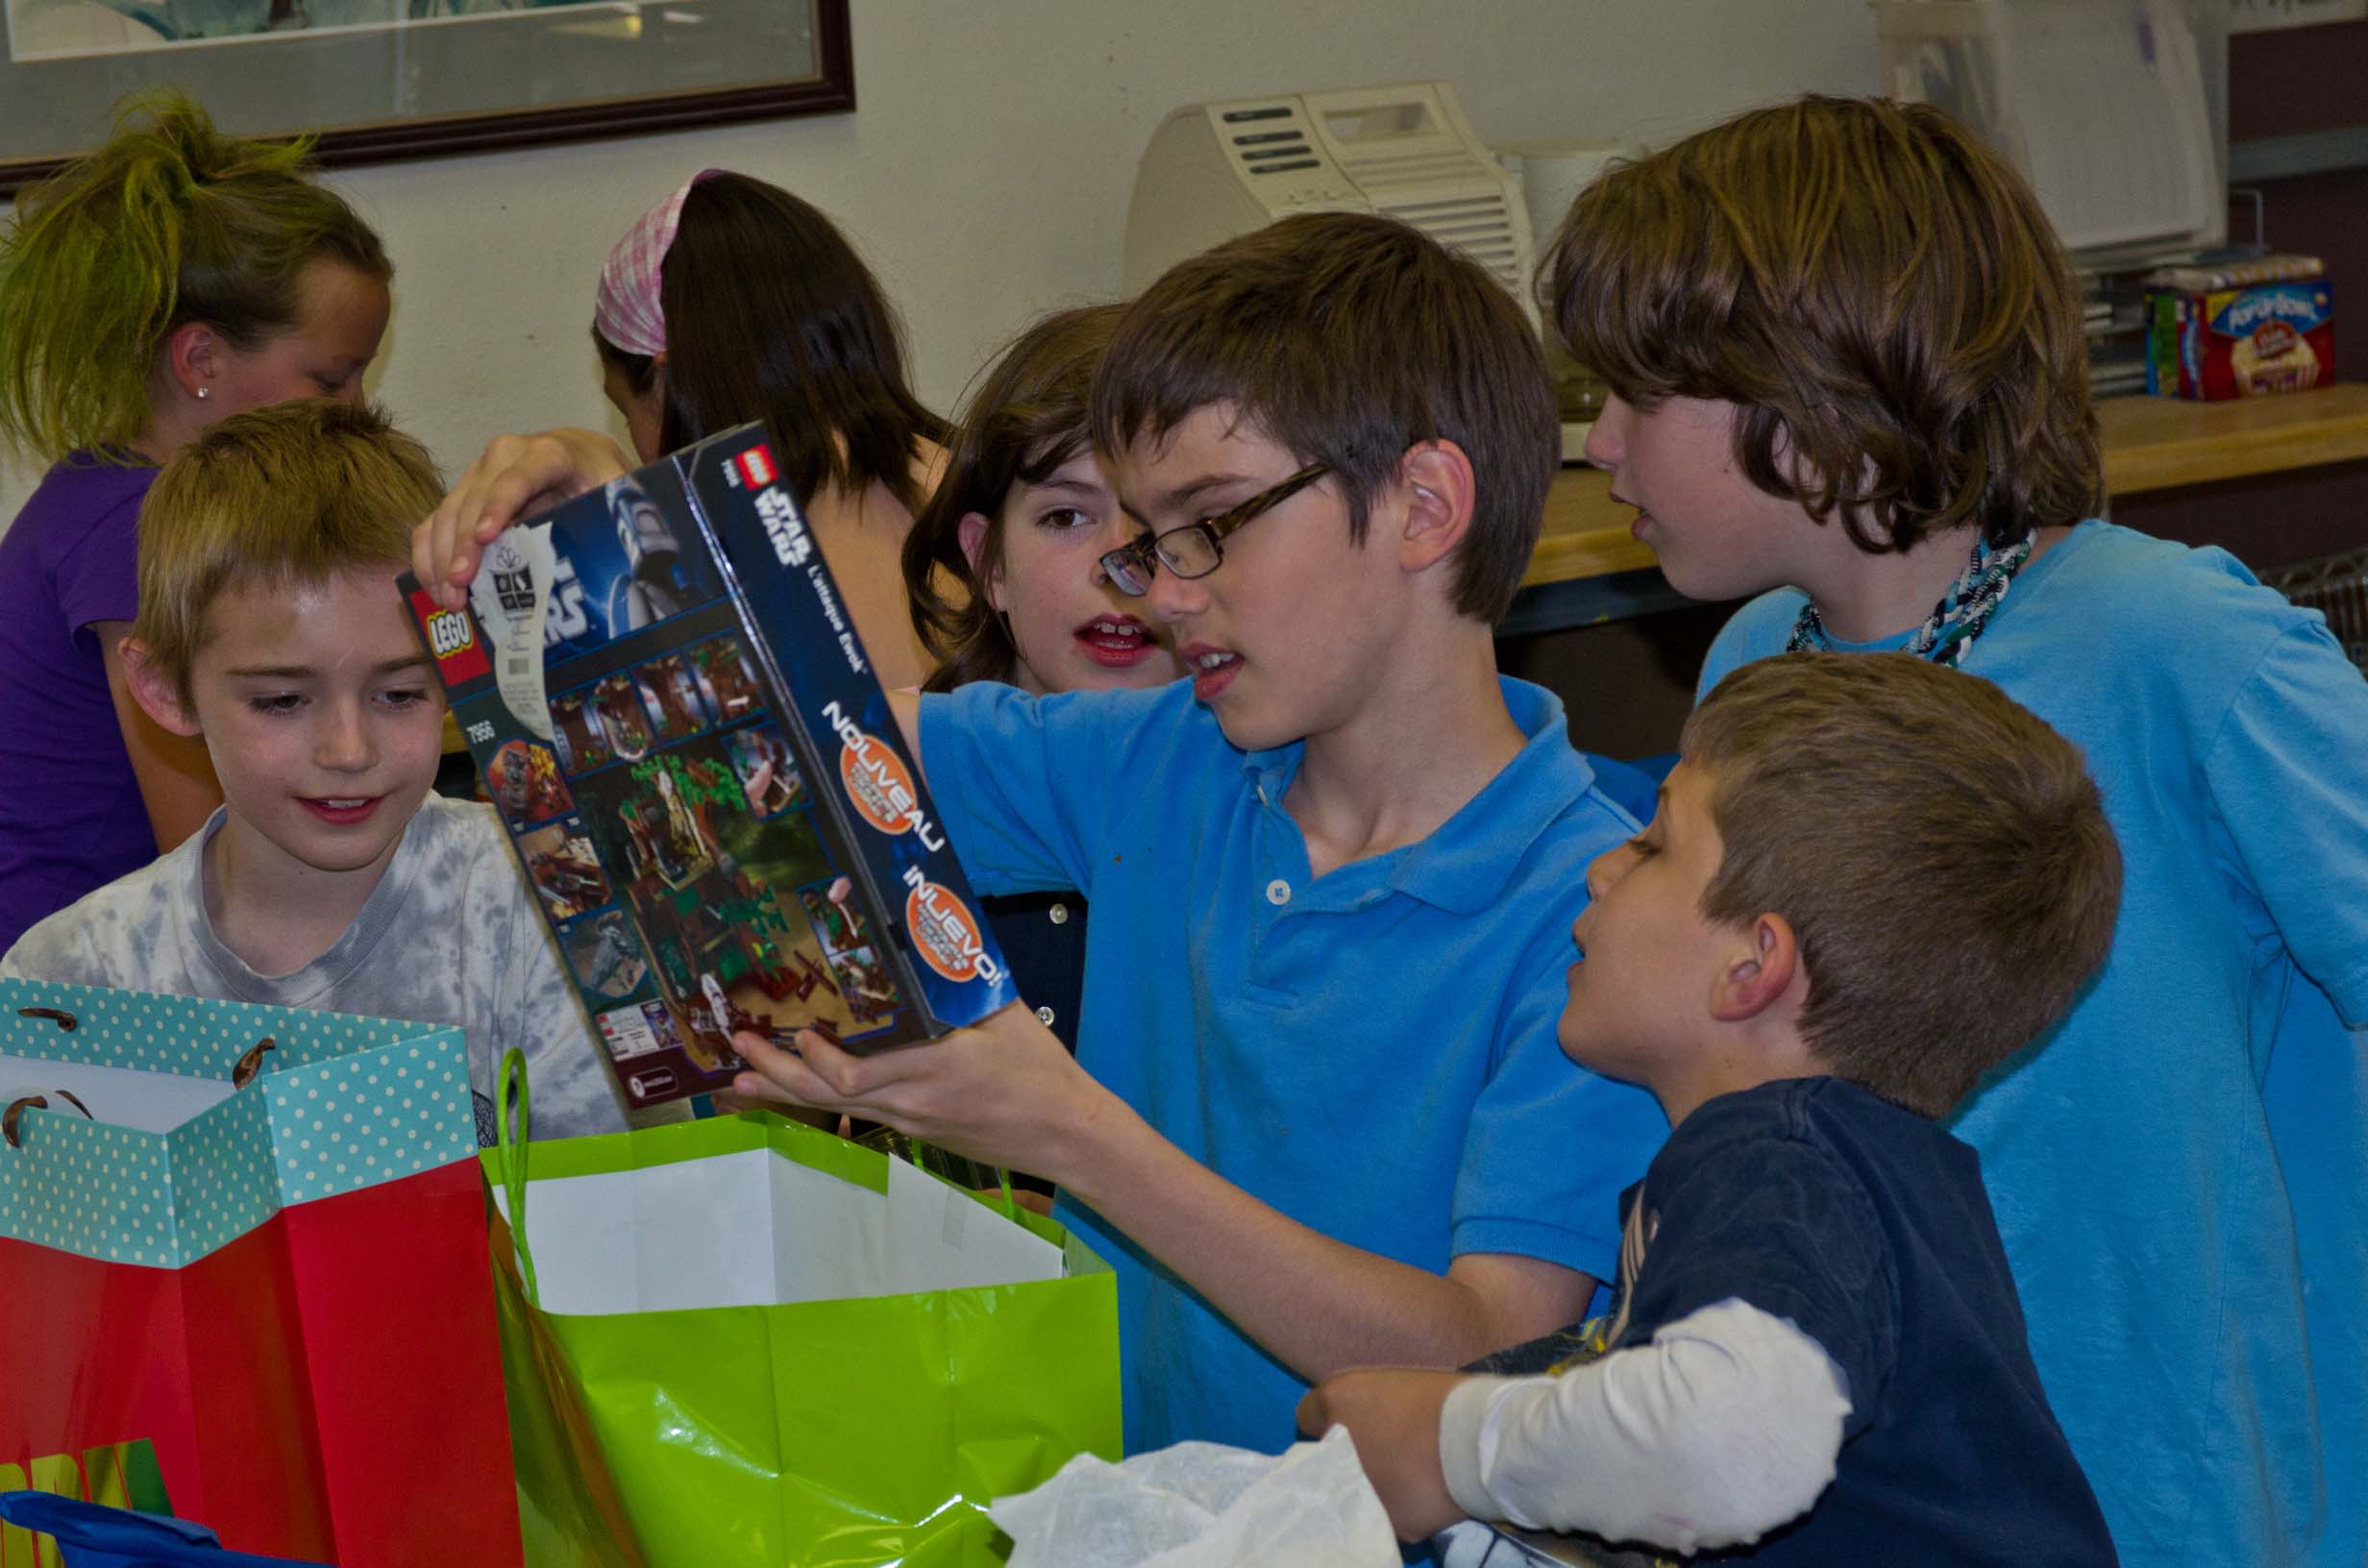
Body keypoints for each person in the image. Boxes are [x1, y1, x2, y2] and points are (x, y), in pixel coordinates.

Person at [410, 214, 1670, 1456]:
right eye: (1146, 540)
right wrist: (616, 537)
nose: (1162, 591)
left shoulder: (1599, 912)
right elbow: (761, 748)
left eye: (1210, 523)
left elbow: (1494, 1364)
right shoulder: (1162, 756)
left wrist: (1068, 1132)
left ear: (1424, 506)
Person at [1548, 95, 2368, 1567]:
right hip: (1897, 1499)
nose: (1597, 442)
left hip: (2172, 1502)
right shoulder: (1752, 667)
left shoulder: (2177, 648)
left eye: (1634, 392)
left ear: (1814, 384)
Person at [1300, 651, 2123, 1566]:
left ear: (1751, 967)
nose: (1601, 870)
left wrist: (1451, 1444)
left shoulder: (1777, 1161)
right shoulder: (1862, 1180)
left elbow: (1734, 1447)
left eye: (1652, 847)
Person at [2, 400, 631, 1143]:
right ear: (165, 689)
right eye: (281, 701)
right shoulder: (71, 979)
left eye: (401, 693)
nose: (349, 751)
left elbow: (624, 1201)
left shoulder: (552, 903)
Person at [0, 89, 392, 953]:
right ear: (202, 359)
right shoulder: (132, 534)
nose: (358, 410)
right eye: (332, 380)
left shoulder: (104, 486)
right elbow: (213, 860)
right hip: (59, 988)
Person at [899, 303, 1179, 1059]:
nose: (1118, 566)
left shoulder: (1253, 802)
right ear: (988, 563)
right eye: (1065, 517)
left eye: (1162, 522)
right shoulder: (902, 773)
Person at [553, 169, 943, 687]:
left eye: (628, 415)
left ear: (670, 379)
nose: (639, 448)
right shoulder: (990, 487)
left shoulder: (716, 571)